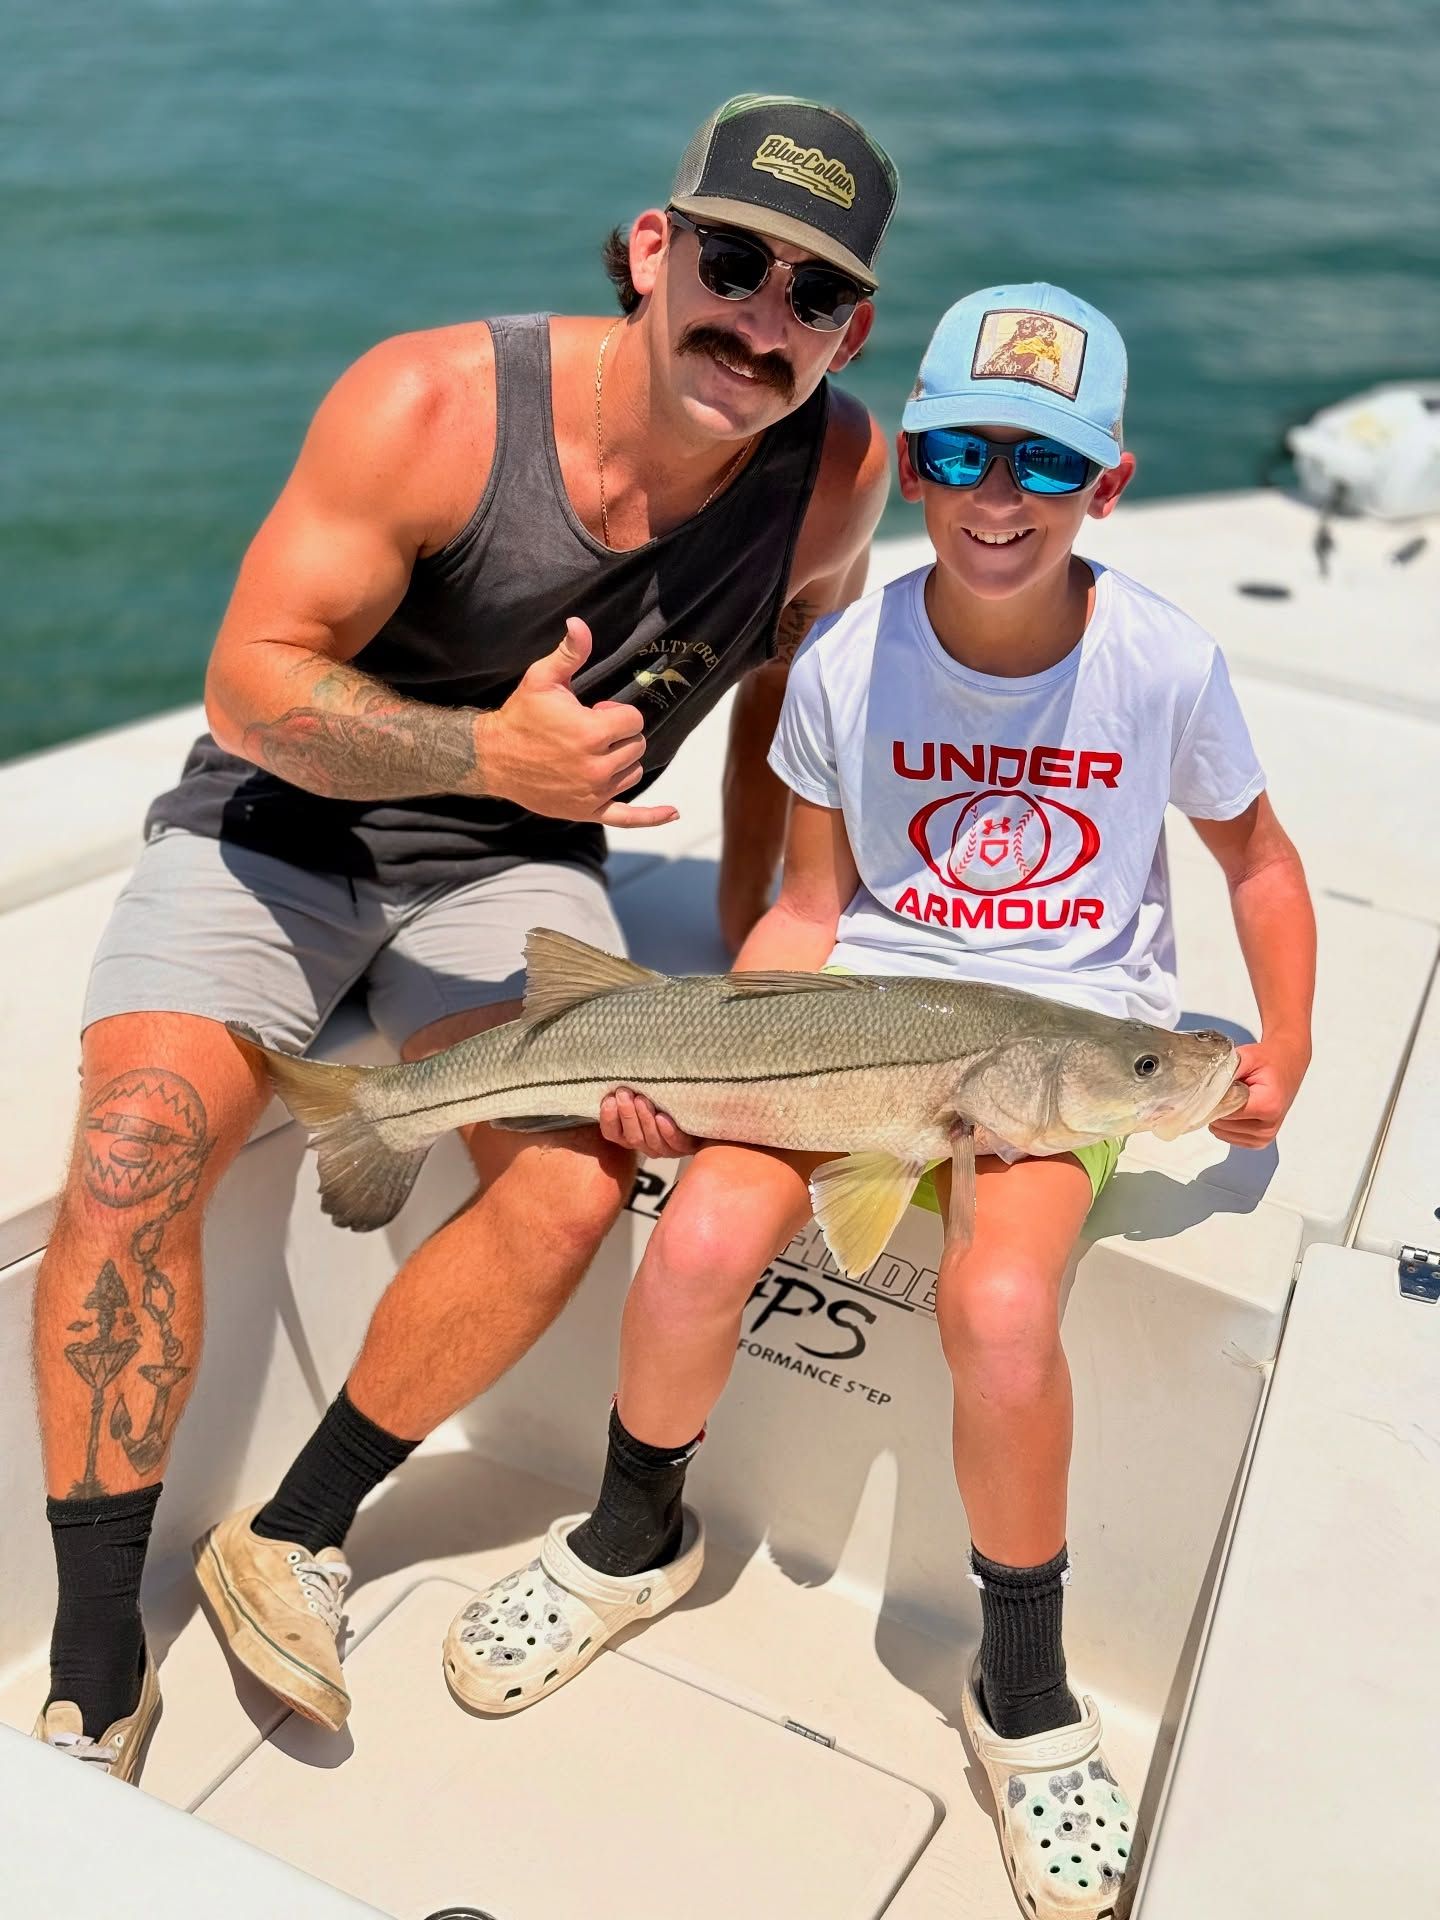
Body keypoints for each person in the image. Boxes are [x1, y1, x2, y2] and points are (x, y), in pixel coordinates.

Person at [31, 94, 898, 1775]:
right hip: (283, 820)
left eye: (816, 297)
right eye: (736, 261)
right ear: (656, 250)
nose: (764, 321)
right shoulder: (430, 404)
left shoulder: (837, 476)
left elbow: (780, 722)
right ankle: (91, 1658)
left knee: (576, 1178)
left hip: (515, 867)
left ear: (849, 329)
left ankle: (295, 1528)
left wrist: (734, 994)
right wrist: (479, 751)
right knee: (137, 1150)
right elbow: (253, 684)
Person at [444, 285, 1315, 1920]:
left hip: (1056, 1054)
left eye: (1043, 467)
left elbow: (1258, 862)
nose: (1000, 496)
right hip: (853, 1023)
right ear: (914, 462)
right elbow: (803, 907)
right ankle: (635, 1536)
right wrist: (715, 1063)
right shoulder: (848, 654)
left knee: (996, 1306)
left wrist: (1287, 1041)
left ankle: (1026, 1687)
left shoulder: (1161, 662)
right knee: (699, 1239)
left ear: (1106, 488)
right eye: (966, 454)